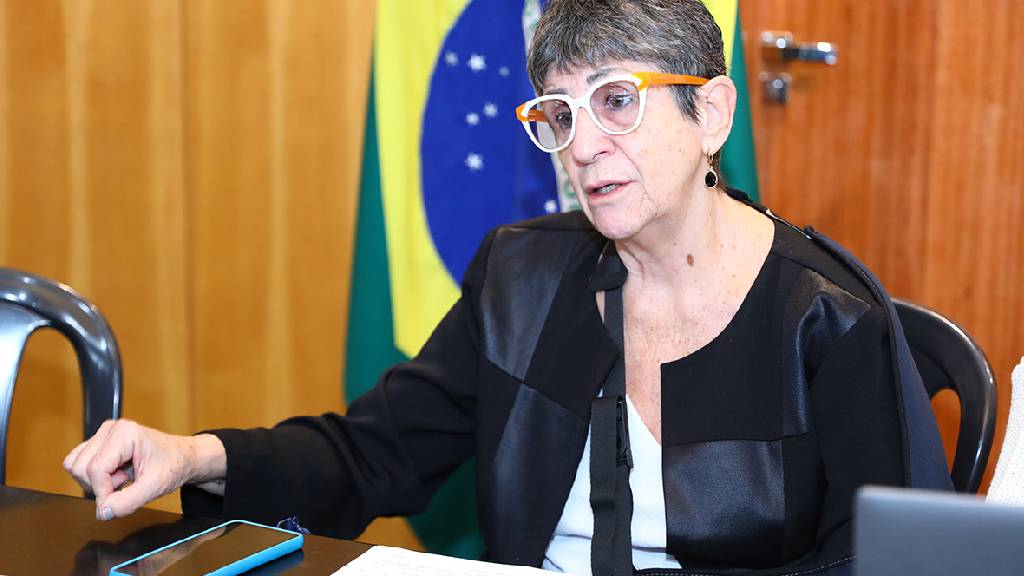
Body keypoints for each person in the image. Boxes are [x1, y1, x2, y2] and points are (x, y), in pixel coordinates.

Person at [64, 1, 951, 574]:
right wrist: (195, 456)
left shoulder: (830, 318)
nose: (583, 146)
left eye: (616, 99)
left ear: (711, 113)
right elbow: (375, 452)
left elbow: (889, 561)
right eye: (561, 113)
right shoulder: (521, 277)